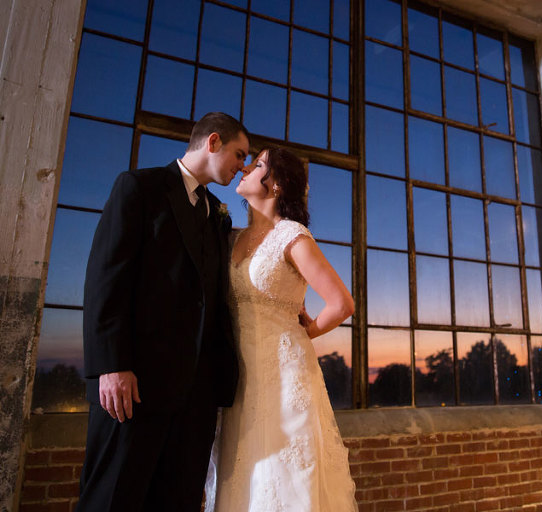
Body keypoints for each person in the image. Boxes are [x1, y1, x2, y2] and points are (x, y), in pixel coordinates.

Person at [77, 112, 250, 511]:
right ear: (212, 142)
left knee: (179, 502)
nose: (242, 165)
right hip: (133, 389)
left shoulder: (218, 215)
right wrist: (112, 365)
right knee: (112, 499)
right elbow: (106, 279)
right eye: (239, 154)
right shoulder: (140, 187)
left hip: (196, 400)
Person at [207, 147, 358, 511]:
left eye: (257, 164)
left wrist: (307, 331)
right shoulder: (232, 237)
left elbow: (341, 304)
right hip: (240, 379)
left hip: (285, 376)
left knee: (285, 479)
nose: (244, 167)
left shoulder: (291, 235)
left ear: (275, 185)